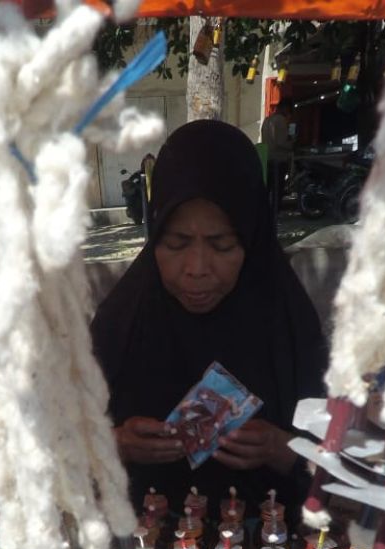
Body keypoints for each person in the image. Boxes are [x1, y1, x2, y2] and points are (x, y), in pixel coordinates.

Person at [92, 120, 326, 516]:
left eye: (222, 245)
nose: (197, 268)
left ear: (251, 240)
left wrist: (284, 450)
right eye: (176, 243)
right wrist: (114, 442)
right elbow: (55, 446)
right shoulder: (123, 322)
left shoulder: (290, 328)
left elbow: (347, 476)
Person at [261, 100, 294, 216]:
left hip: (267, 158)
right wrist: (292, 144)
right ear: (285, 108)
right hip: (279, 159)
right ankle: (274, 214)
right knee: (277, 189)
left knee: (267, 188)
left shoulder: (266, 120)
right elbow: (280, 142)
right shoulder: (280, 120)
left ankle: (264, 213)